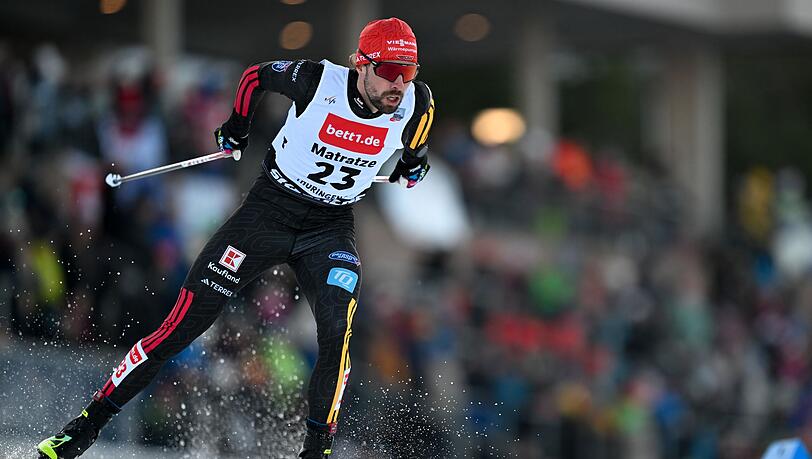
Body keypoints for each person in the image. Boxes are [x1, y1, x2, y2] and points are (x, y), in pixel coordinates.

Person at [37, 17, 434, 459]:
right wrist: (237, 126)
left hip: (329, 227)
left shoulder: (416, 103)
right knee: (182, 326)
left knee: (338, 331)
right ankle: (83, 429)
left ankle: (316, 453)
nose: (399, 83)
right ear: (359, 64)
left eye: (409, 71)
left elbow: (416, 142)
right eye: (389, 71)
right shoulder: (318, 79)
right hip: (268, 213)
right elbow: (254, 76)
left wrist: (413, 165)